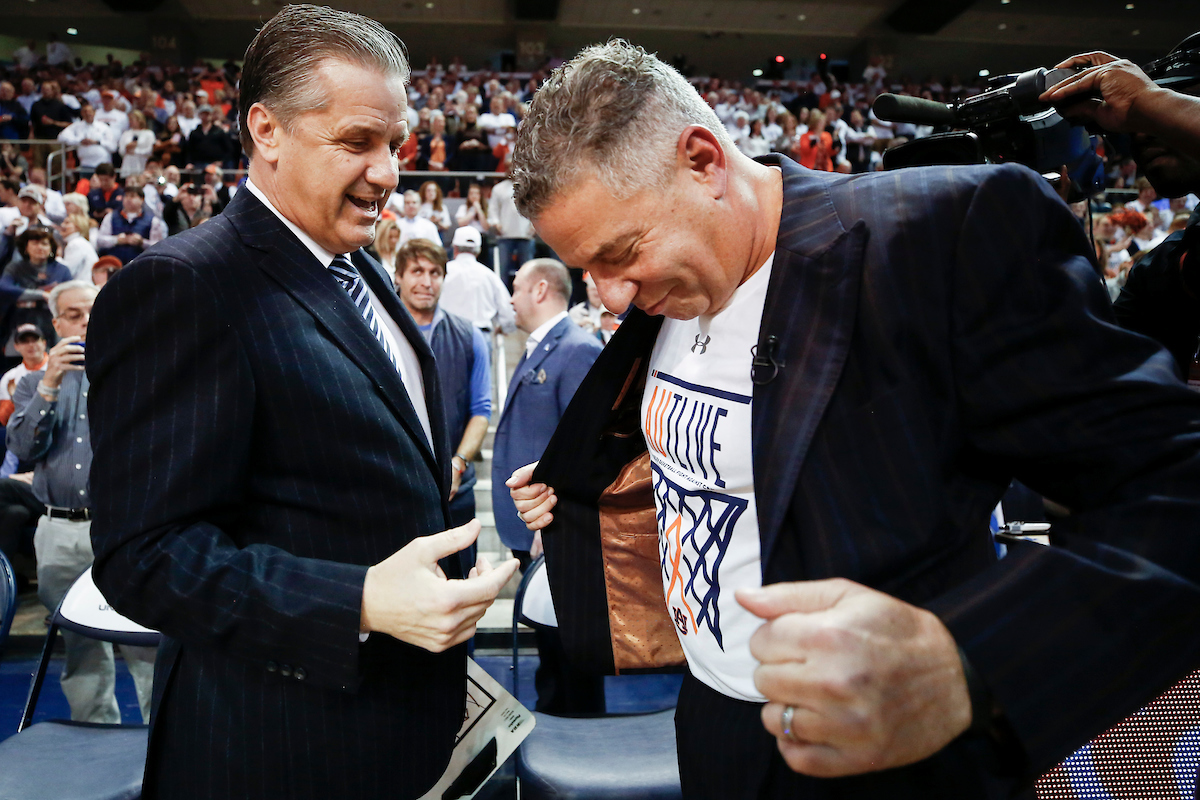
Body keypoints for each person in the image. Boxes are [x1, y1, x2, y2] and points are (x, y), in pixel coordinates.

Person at [506, 41, 1200, 799]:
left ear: (703, 160)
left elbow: (1172, 492)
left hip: (888, 756)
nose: (606, 297)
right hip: (712, 723)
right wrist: (588, 492)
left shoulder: (937, 235)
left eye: (621, 253)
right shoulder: (672, 285)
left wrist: (970, 662)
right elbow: (743, 459)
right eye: (587, 269)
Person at [86, 8, 518, 799]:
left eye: (396, 145)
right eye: (357, 142)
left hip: (400, 731)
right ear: (267, 130)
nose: (388, 172)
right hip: (279, 749)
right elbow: (142, 556)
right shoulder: (186, 285)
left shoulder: (360, 271)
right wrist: (355, 600)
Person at [7, 282, 156, 724]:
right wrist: (50, 385)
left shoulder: (137, 370)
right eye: (74, 314)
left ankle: (161, 752)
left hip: (125, 527)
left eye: (93, 311)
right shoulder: (31, 382)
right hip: (58, 531)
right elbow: (21, 446)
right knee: (80, 646)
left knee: (146, 642)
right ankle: (96, 758)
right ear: (57, 324)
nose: (86, 320)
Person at [1043, 47, 1200, 378]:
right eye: (1133, 123)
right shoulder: (1160, 270)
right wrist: (1041, 231)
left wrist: (1146, 99)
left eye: (1171, 103)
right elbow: (1093, 373)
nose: (1142, 131)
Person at [493, 257, 605, 714]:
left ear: (540, 290)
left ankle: (577, 751)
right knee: (551, 651)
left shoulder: (575, 348)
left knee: (569, 656)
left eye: (516, 288)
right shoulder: (542, 344)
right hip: (537, 526)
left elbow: (585, 449)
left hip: (555, 530)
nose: (511, 298)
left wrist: (551, 519)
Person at [393, 238, 491, 569]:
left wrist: (458, 464)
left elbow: (481, 411)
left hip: (456, 492)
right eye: (416, 271)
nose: (426, 281)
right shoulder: (375, 331)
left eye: (435, 272)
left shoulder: (469, 336)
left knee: (461, 587)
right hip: (396, 491)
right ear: (398, 277)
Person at [439, 225, 515, 338]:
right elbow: (508, 311)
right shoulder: (489, 276)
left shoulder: (441, 273)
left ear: (455, 248)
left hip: (448, 335)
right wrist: (505, 327)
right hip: (480, 335)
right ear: (478, 250)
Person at [487, 169, 535, 290]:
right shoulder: (498, 188)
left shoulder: (529, 187)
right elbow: (493, 209)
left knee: (527, 271)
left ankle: (527, 294)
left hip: (525, 234)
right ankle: (501, 297)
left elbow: (536, 207)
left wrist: (534, 224)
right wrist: (496, 223)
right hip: (504, 235)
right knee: (502, 271)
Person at [96, 188, 166, 265]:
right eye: (126, 196)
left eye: (132, 196)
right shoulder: (111, 217)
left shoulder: (153, 220)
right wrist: (116, 240)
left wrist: (142, 242)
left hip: (140, 264)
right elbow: (100, 240)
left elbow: (158, 246)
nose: (128, 199)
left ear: (141, 199)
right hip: (114, 264)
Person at [0, 324, 48, 425]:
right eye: (24, 341)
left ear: (44, 343)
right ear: (16, 347)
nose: (30, 345)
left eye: (35, 340)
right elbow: (4, 420)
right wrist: (14, 399)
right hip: (25, 432)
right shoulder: (10, 377)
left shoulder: (59, 368)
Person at [57, 104, 117, 178]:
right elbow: (61, 137)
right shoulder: (77, 126)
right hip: (85, 165)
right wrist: (79, 141)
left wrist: (97, 142)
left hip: (102, 164)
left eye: (90, 111)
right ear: (82, 113)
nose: (88, 114)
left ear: (94, 113)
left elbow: (113, 146)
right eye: (85, 111)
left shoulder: (104, 127)